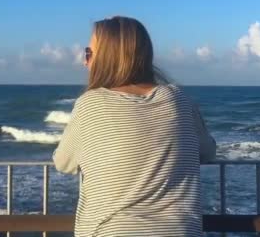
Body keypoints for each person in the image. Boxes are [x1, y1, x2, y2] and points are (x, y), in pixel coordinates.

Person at [53, 16, 217, 236]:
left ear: (108, 58)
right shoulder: (179, 99)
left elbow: (63, 162)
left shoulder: (90, 104)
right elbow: (207, 151)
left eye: (89, 53)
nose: (85, 61)